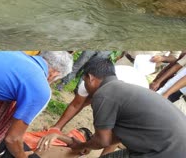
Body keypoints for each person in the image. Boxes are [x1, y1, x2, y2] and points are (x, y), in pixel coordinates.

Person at [41, 57, 186, 157]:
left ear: (91, 78)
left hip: (166, 151)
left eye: (84, 81)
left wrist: (81, 145)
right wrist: (83, 144)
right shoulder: (120, 89)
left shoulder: (104, 95)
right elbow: (115, 137)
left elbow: (103, 141)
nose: (84, 86)